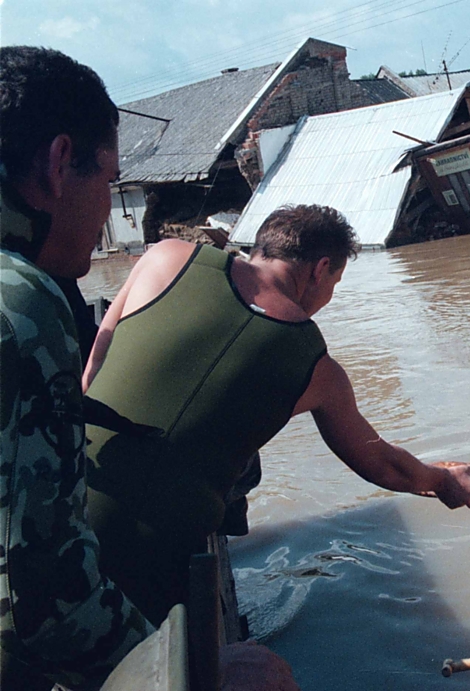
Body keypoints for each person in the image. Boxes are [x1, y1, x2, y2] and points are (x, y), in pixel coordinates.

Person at [0, 46, 298, 691]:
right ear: (58, 164)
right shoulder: (21, 298)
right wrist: (184, 666)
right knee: (261, 675)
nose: (109, 207)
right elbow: (42, 597)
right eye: (107, 179)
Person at [81, 203, 470, 626]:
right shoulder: (317, 368)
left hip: (66, 495)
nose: (328, 299)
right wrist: (443, 480)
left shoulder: (166, 256)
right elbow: (384, 465)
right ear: (321, 268)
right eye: (335, 283)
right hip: (155, 552)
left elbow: (93, 372)